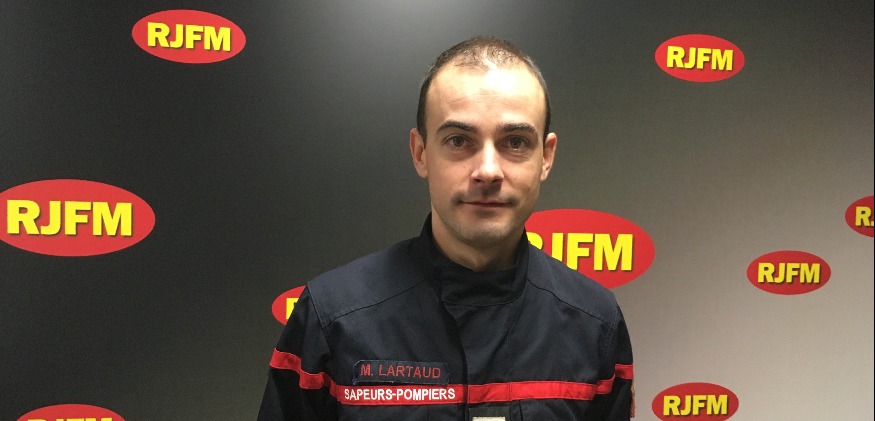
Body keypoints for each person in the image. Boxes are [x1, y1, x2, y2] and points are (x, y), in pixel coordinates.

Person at [258, 36, 634, 420]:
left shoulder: (596, 325)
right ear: (421, 153)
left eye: (515, 142)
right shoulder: (332, 319)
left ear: (546, 157)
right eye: (458, 141)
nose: (488, 170)